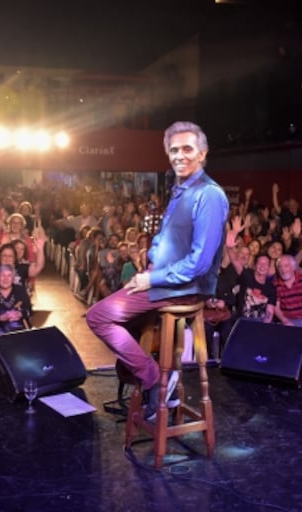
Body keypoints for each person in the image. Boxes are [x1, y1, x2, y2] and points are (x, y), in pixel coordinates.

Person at [86, 121, 229, 420]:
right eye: (174, 150)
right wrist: (151, 259)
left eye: (187, 149)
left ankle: (155, 380)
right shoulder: (180, 189)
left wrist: (153, 277)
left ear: (203, 153)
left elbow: (200, 262)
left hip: (184, 287)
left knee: (98, 317)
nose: (180, 156)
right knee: (123, 323)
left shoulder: (209, 195)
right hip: (164, 280)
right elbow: (167, 237)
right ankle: (150, 379)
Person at [0, 264, 32, 336]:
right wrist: (1, 318)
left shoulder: (20, 290)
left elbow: (29, 310)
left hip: (18, 329)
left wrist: (20, 314)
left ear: (13, 279)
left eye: (9, 275)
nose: (6, 279)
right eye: (2, 275)